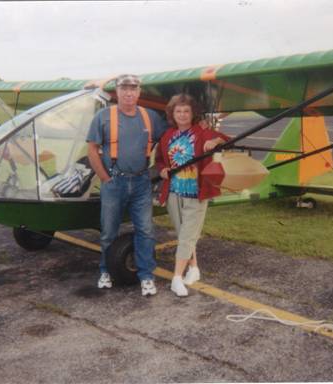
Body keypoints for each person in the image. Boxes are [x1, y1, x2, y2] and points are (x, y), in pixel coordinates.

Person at [87, 74, 168, 296]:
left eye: (133, 88)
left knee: (146, 230)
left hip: (142, 182)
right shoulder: (103, 117)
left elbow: (168, 138)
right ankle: (105, 270)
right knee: (109, 232)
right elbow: (92, 149)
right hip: (114, 182)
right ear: (117, 92)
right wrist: (104, 177)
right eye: (124, 88)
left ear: (139, 92)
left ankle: (146, 276)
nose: (129, 93)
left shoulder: (150, 117)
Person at [156, 94, 229, 297]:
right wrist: (162, 170)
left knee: (187, 235)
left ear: (193, 114)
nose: (182, 115)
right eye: (178, 111)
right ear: (172, 114)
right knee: (183, 235)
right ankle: (194, 269)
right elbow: (160, 160)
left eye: (186, 111)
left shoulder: (201, 132)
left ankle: (176, 278)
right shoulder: (168, 135)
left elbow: (225, 140)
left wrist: (214, 141)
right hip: (173, 192)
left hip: (196, 193)